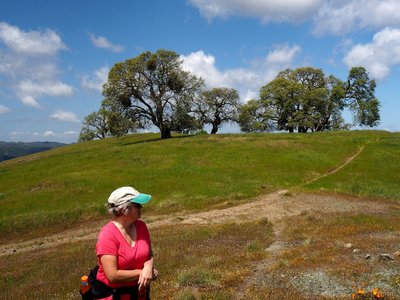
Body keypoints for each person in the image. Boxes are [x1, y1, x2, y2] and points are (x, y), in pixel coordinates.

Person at [95, 186, 158, 300]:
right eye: (137, 205)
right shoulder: (107, 235)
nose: (141, 207)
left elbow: (148, 254)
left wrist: (148, 267)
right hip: (114, 296)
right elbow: (112, 275)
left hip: (139, 295)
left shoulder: (141, 226)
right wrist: (142, 273)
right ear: (124, 210)